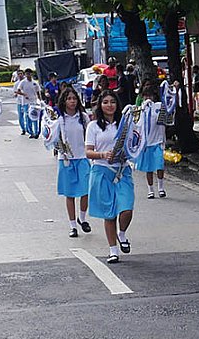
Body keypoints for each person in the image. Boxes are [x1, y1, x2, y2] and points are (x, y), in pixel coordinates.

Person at [83, 90, 137, 262]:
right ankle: (113, 250)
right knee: (109, 213)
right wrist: (102, 155)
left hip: (122, 171)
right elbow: (88, 152)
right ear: (100, 105)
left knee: (126, 208)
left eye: (112, 102)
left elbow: (134, 145)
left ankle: (122, 233)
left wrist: (128, 154)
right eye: (105, 102)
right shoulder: (93, 126)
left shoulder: (125, 124)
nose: (109, 105)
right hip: (101, 171)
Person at [45, 86, 91, 237]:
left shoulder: (83, 117)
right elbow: (51, 137)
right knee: (70, 194)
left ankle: (82, 218)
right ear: (64, 101)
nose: (72, 101)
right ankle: (72, 226)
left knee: (86, 191)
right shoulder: (59, 119)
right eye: (69, 99)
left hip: (82, 158)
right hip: (66, 160)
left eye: (74, 98)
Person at [135, 78, 169, 198]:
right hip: (146, 143)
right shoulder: (141, 109)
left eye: (150, 96)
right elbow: (137, 124)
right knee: (148, 168)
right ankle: (150, 190)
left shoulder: (158, 106)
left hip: (157, 141)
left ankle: (161, 187)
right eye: (145, 96)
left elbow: (165, 117)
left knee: (159, 165)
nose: (148, 98)